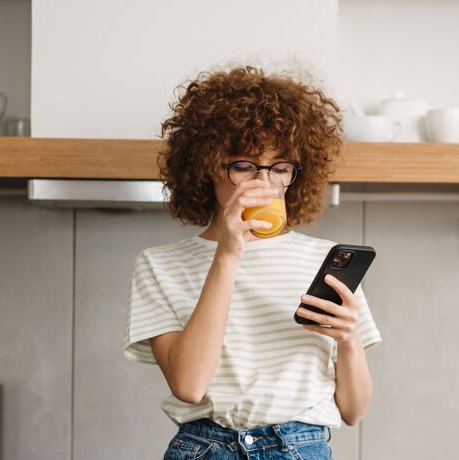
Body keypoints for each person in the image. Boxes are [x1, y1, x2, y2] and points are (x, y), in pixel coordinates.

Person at [123, 66, 381, 460]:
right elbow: (189, 385)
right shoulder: (160, 265)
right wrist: (227, 253)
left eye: (279, 168)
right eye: (243, 165)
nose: (264, 182)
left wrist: (348, 342)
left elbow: (354, 411)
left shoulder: (321, 261)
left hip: (301, 448)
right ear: (208, 165)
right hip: (206, 449)